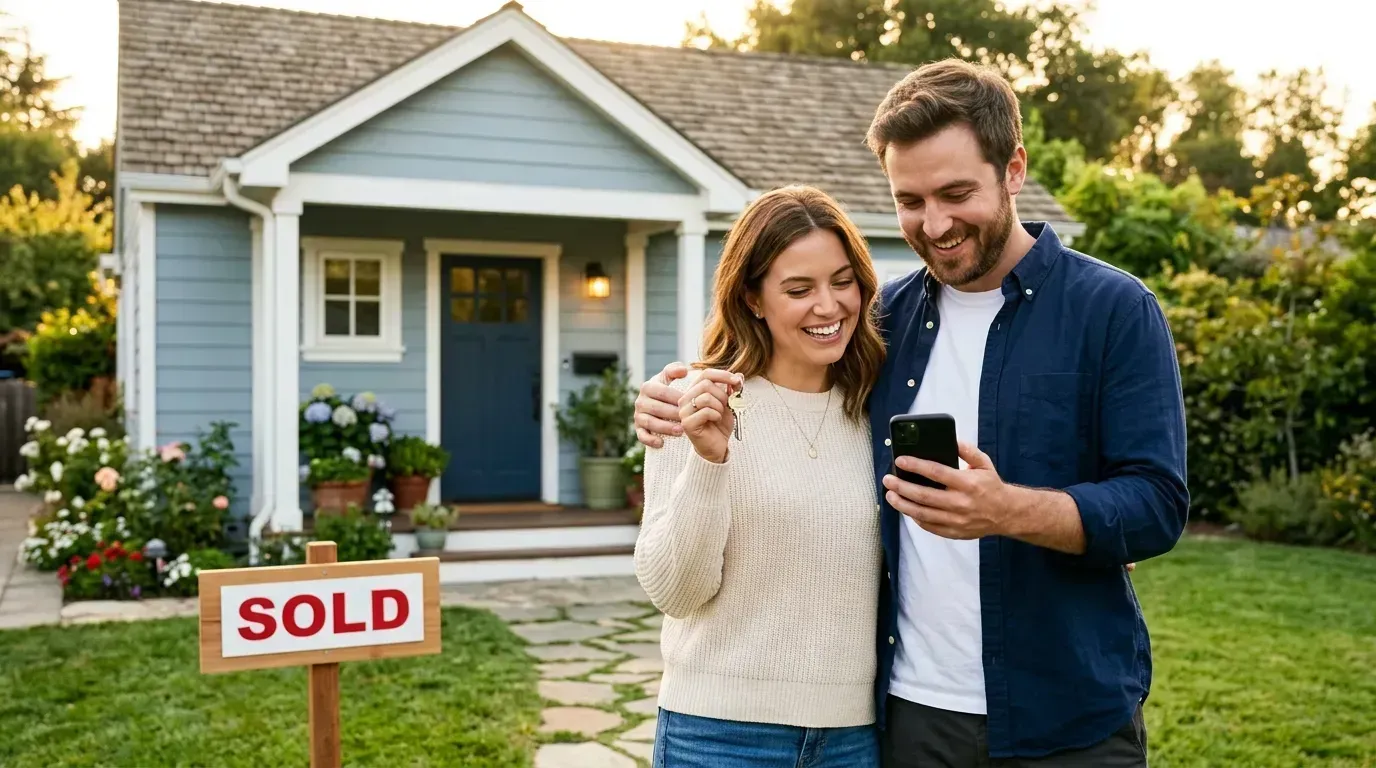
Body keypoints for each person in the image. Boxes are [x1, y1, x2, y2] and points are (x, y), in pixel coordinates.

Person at [633, 57, 1188, 767]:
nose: (936, 223)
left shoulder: (1113, 311)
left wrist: (1008, 510)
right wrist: (670, 399)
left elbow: (1157, 504)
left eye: (957, 193)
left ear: (1013, 169)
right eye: (910, 200)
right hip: (911, 716)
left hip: (1068, 712)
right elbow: (780, 362)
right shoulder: (884, 321)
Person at [634, 184, 889, 767]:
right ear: (753, 298)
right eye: (798, 289)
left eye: (842, 281)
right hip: (719, 736)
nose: (828, 307)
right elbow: (675, 591)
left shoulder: (879, 407)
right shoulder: (690, 401)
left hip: (853, 738)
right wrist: (708, 459)